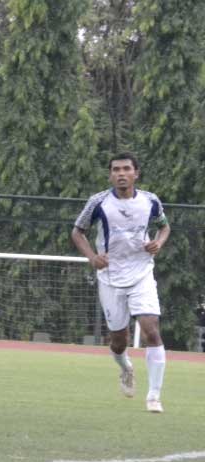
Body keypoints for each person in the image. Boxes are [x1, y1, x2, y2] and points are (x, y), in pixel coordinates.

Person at [71, 152, 170, 413]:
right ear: (110, 174)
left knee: (151, 330)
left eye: (126, 169)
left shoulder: (150, 201)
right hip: (111, 277)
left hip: (141, 274)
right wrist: (92, 257)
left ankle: (154, 396)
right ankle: (126, 368)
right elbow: (77, 231)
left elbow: (164, 226)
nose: (121, 174)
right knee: (118, 341)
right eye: (116, 169)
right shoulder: (98, 202)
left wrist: (158, 243)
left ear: (136, 173)